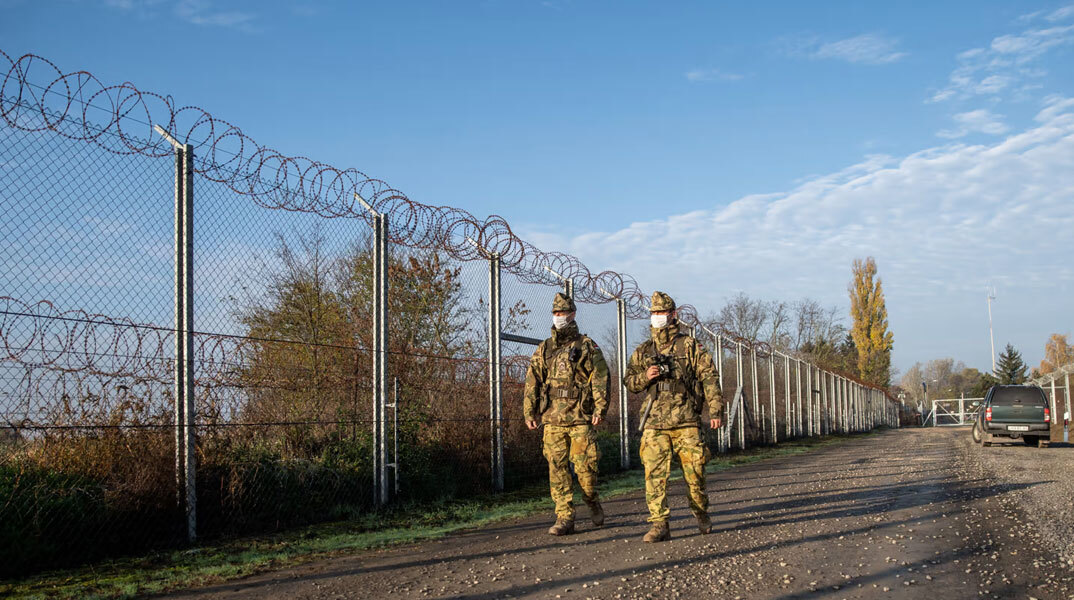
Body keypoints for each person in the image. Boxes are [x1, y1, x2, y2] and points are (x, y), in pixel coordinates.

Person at [624, 291, 722, 543]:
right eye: (654, 313)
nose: (657, 317)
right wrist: (646, 376)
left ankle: (701, 512)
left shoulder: (689, 345)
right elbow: (629, 381)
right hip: (654, 421)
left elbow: (709, 377)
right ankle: (659, 525)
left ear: (673, 314)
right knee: (654, 475)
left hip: (686, 419)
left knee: (695, 475)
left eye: (662, 312)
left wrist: (715, 409)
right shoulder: (644, 350)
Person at [523, 292, 611, 535]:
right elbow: (533, 381)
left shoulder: (586, 346)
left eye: (563, 313)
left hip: (580, 417)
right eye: (556, 313)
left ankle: (592, 500)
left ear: (573, 314)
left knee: (585, 471)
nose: (559, 317)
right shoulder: (545, 348)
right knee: (557, 469)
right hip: (552, 418)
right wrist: (529, 411)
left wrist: (600, 408)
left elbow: (601, 377)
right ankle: (564, 518)